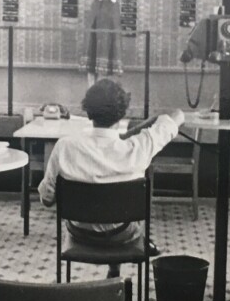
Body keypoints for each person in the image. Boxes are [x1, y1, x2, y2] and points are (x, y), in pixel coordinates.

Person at [38, 79, 183, 277]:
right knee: (124, 216)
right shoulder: (138, 147)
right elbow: (176, 116)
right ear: (122, 113)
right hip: (121, 234)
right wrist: (155, 120)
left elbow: (46, 199)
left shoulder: (65, 146)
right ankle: (115, 269)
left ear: (88, 110)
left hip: (80, 232)